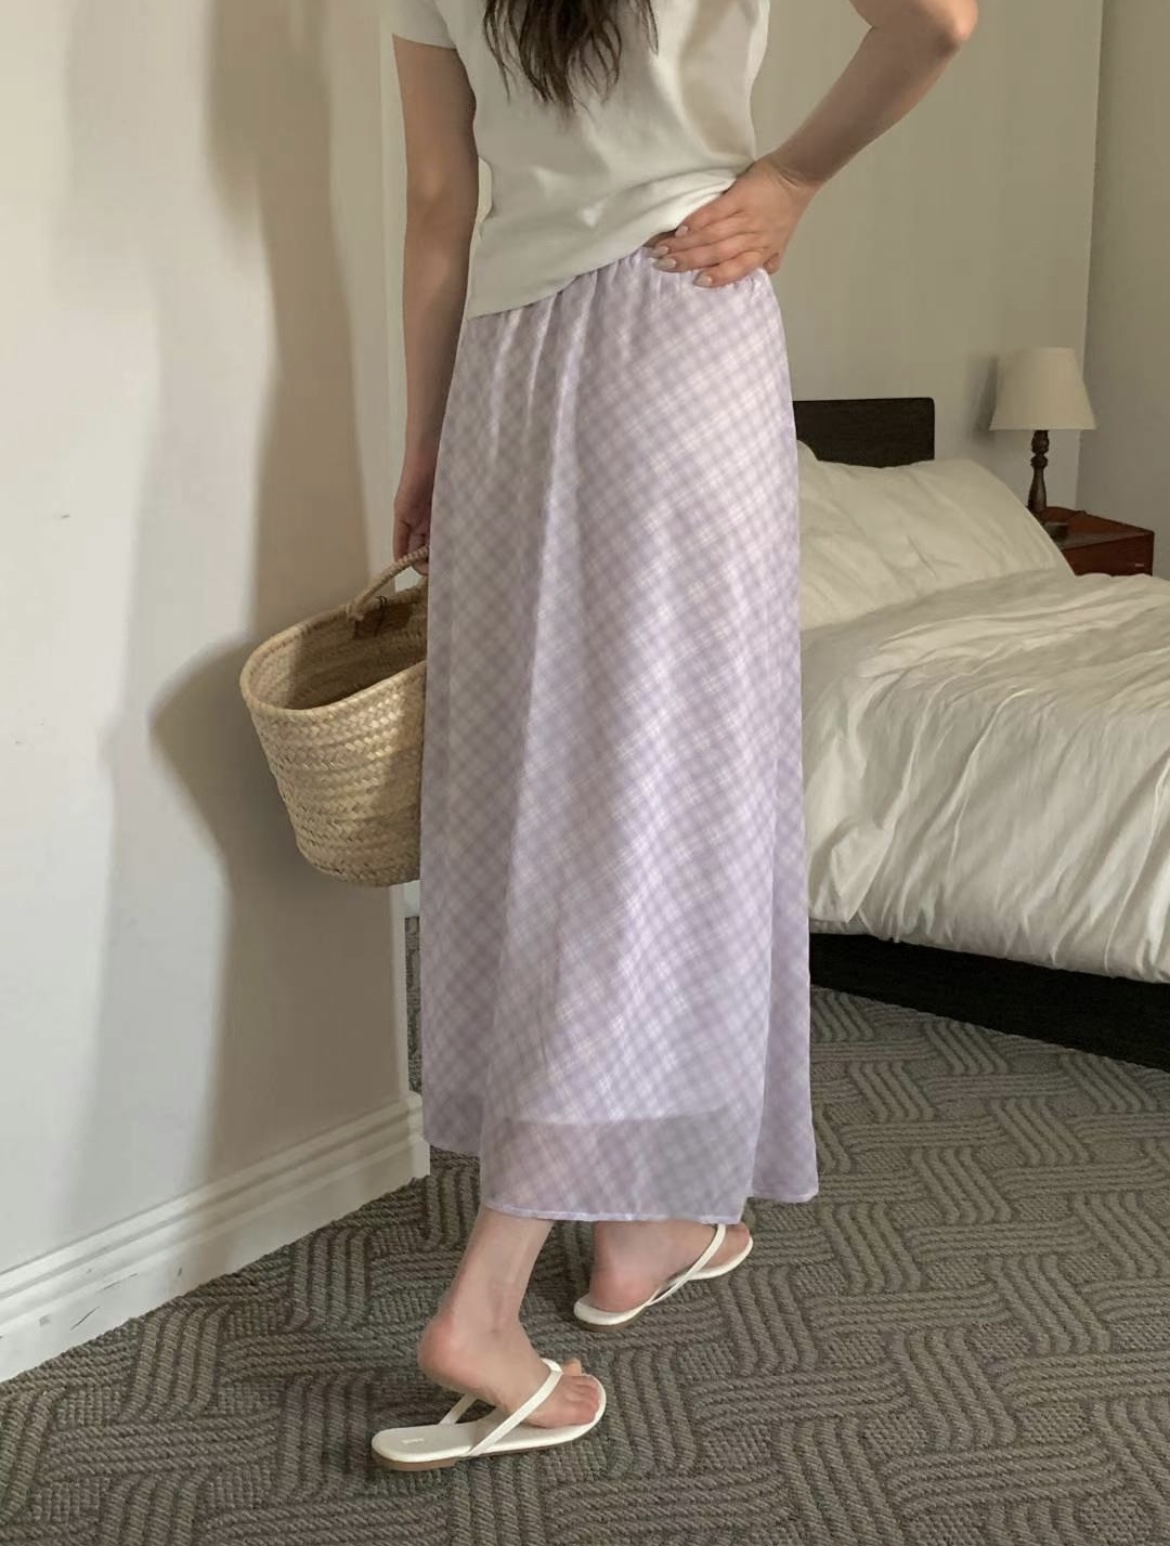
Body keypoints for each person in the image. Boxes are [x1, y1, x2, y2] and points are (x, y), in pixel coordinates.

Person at [371, 0, 978, 1472]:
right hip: (680, 327)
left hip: (507, 373)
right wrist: (793, 177)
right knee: (653, 814)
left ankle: (639, 1225)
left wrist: (428, 438)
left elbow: (442, 202)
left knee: (550, 804)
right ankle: (485, 1303)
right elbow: (938, 19)